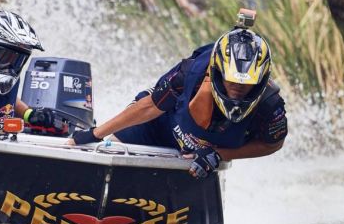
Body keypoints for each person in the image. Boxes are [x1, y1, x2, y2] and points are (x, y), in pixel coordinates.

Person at [69, 11, 288, 179]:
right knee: (114, 145)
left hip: (202, 160)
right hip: (161, 125)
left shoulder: (270, 104)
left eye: (246, 84)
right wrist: (95, 134)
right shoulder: (189, 73)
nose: (237, 89)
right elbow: (150, 107)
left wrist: (220, 154)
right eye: (231, 80)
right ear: (218, 71)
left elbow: (273, 144)